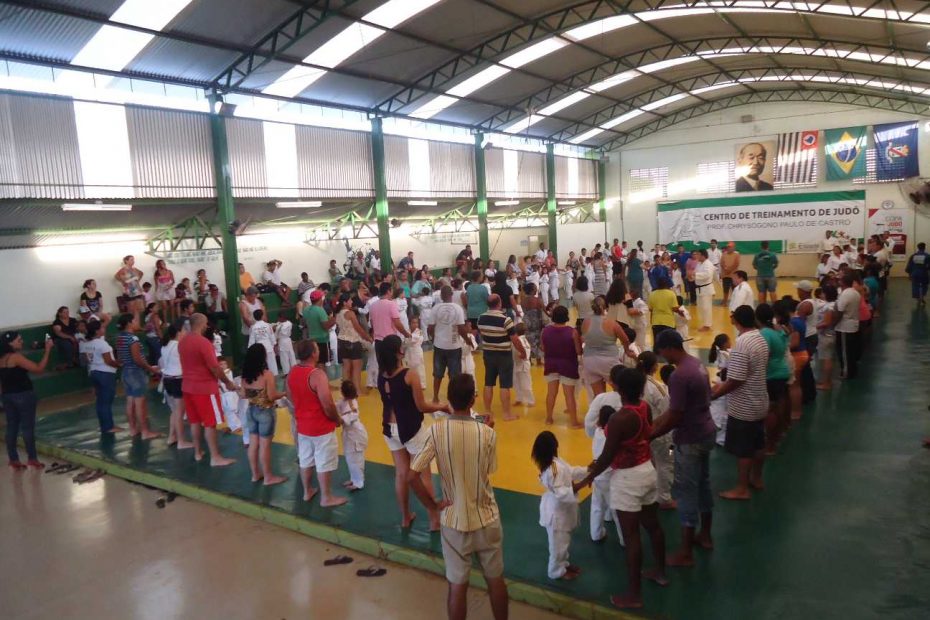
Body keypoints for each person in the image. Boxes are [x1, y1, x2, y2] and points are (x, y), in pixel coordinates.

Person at [407, 373, 508, 620]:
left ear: (449, 400)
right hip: (487, 516)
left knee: (457, 585)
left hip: (453, 519)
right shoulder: (487, 433)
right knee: (495, 580)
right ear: (472, 401)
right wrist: (486, 429)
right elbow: (488, 469)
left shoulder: (437, 431)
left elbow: (411, 476)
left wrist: (432, 506)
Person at [581, 367, 667, 610]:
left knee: (631, 537)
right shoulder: (644, 408)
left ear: (618, 388)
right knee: (652, 524)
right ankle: (660, 572)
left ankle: (634, 594)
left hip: (627, 478)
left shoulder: (619, 419)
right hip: (647, 470)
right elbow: (646, 435)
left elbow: (607, 456)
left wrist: (585, 479)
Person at [650, 330, 716, 565]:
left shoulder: (679, 376)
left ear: (669, 347)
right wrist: (654, 424)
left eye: (662, 351)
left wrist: (651, 435)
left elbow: (675, 416)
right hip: (706, 431)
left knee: (686, 493)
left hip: (690, 438)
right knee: (704, 485)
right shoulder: (696, 364)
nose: (661, 357)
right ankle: (705, 535)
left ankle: (685, 552)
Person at [376, 335, 447, 529]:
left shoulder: (382, 375)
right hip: (411, 428)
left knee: (401, 474)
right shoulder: (409, 374)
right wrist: (443, 407)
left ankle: (405, 517)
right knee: (424, 475)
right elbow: (422, 406)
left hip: (390, 428)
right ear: (399, 351)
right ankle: (434, 519)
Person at [712, 305, 770, 500]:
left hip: (744, 405)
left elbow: (735, 380)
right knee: (758, 443)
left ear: (736, 321)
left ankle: (742, 488)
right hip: (760, 399)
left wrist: (715, 394)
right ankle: (757, 478)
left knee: (744, 449)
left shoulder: (741, 344)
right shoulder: (760, 338)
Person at [288, 340, 347, 507]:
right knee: (324, 460)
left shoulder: (293, 372)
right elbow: (327, 404)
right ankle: (326, 497)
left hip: (303, 425)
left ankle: (307, 491)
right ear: (313, 353)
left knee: (305, 458)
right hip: (320, 426)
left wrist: (301, 408)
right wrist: (337, 419)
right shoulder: (317, 375)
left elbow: (289, 394)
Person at [179, 313, 236, 466]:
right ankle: (215, 457)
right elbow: (215, 367)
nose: (207, 326)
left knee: (195, 421)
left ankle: (198, 452)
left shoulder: (182, 342)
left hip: (188, 386)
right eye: (205, 323)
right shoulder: (203, 343)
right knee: (210, 423)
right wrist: (227, 382)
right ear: (201, 324)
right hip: (204, 388)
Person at [532, 431, 586, 581]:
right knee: (558, 544)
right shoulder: (554, 468)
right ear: (554, 446)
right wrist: (582, 484)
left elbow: (571, 471)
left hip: (561, 510)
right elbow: (561, 492)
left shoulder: (556, 462)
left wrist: (588, 470)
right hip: (557, 513)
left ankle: (564, 564)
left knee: (563, 541)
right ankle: (556, 571)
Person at [1, 331, 53, 468]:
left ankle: (13, 458)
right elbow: (38, 368)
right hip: (23, 395)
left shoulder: (1, 359)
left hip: (7, 395)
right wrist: (47, 350)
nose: (22, 342)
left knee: (12, 427)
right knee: (27, 428)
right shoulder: (16, 358)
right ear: (10, 343)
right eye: (19, 340)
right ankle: (32, 458)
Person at [239, 343, 287, 486]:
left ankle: (255, 474)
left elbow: (243, 395)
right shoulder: (267, 375)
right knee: (265, 446)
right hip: (265, 411)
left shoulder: (245, 376)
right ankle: (268, 477)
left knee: (253, 444)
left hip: (251, 410)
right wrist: (285, 393)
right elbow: (271, 396)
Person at [477, 294, 526, 423]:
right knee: (504, 384)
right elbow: (514, 339)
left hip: (488, 353)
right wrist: (523, 352)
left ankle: (487, 410)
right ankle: (506, 413)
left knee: (488, 382)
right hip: (504, 354)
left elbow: (483, 334)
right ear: (499, 303)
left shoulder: (480, 318)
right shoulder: (506, 320)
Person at [114, 313, 161, 440]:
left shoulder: (119, 338)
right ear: (129, 323)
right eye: (135, 320)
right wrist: (151, 368)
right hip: (136, 372)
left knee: (130, 401)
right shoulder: (133, 339)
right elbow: (137, 359)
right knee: (140, 403)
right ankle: (145, 431)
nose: (136, 323)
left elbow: (119, 357)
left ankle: (133, 429)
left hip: (126, 372)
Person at [637, 352, 673, 510]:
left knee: (648, 462)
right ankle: (664, 498)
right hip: (658, 432)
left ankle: (647, 493)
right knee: (666, 462)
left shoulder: (634, 382)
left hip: (639, 431)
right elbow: (667, 411)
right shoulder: (656, 387)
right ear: (654, 367)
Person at [581, 297, 633, 397]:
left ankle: (602, 411)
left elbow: (583, 338)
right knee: (620, 391)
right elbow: (625, 339)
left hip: (589, 360)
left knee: (599, 396)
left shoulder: (585, 322)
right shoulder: (611, 323)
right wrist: (627, 350)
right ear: (606, 307)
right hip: (609, 360)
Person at [756, 303, 790, 454]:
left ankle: (770, 444)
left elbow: (765, 353)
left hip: (771, 373)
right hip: (782, 370)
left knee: (770, 409)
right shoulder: (779, 330)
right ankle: (779, 433)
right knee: (780, 405)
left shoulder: (764, 333)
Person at [540, 305, 582, 427]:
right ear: (566, 317)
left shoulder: (545, 331)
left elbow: (543, 347)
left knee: (551, 393)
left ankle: (548, 418)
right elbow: (578, 351)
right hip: (568, 365)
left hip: (551, 364)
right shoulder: (572, 332)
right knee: (569, 395)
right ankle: (574, 421)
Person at [429, 285, 468, 401]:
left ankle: (435, 397)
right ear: (452, 295)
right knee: (454, 375)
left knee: (437, 373)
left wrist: (433, 338)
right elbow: (461, 328)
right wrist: (468, 340)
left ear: (441, 296)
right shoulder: (458, 308)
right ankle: (453, 398)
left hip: (439, 345)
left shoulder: (435, 308)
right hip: (454, 346)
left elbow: (430, 328)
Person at [83, 320, 122, 434]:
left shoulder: (88, 344)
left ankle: (104, 425)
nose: (104, 329)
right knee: (106, 401)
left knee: (100, 401)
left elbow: (87, 359)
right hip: (105, 373)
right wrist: (119, 364)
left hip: (94, 371)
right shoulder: (102, 344)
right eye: (102, 328)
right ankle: (109, 426)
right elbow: (109, 361)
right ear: (97, 331)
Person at [159, 325, 192, 449]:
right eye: (183, 330)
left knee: (174, 411)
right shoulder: (179, 346)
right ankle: (181, 441)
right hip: (178, 380)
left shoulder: (165, 345)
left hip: (168, 379)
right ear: (179, 332)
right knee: (179, 412)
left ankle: (172, 436)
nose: (185, 332)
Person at [335, 293, 372, 395]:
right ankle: (357, 391)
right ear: (345, 302)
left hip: (341, 341)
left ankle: (346, 391)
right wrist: (368, 338)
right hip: (353, 341)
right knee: (357, 367)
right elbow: (358, 329)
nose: (352, 302)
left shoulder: (337, 313)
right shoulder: (350, 313)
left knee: (346, 367)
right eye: (350, 300)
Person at [336, 380, 368, 491]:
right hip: (349, 434)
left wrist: (338, 417)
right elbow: (336, 408)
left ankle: (359, 482)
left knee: (356, 458)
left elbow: (344, 419)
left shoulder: (353, 404)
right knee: (350, 458)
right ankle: (354, 478)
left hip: (355, 435)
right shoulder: (343, 401)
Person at [833, 272, 862, 380]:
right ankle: (852, 370)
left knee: (844, 352)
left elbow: (839, 312)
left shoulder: (845, 294)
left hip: (844, 327)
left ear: (843, 282)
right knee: (850, 351)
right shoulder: (855, 292)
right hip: (853, 324)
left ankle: (847, 373)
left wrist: (833, 324)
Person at [302, 290, 335, 368]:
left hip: (312, 339)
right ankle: (321, 379)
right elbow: (325, 326)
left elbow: (304, 323)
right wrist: (333, 320)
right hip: (322, 340)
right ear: (320, 299)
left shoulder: (306, 310)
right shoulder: (320, 310)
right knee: (322, 362)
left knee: (315, 362)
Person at [815, 285, 838, 390]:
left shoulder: (829, 307)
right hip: (831, 334)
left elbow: (827, 322)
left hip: (826, 335)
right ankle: (828, 381)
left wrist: (814, 327)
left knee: (826, 359)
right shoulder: (834, 304)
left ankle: (826, 383)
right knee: (828, 358)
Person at [115, 255, 145, 324]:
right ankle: (130, 325)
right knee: (131, 309)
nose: (133, 261)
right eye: (131, 260)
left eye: (133, 260)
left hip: (137, 290)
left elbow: (141, 273)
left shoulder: (134, 269)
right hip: (129, 291)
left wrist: (138, 280)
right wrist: (123, 282)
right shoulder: (123, 270)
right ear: (126, 261)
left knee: (137, 309)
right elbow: (116, 276)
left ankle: (137, 325)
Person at [647, 277, 679, 342]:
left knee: (657, 343)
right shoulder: (671, 294)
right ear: (666, 284)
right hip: (669, 322)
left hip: (656, 322)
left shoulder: (652, 294)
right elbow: (675, 308)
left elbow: (650, 309)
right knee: (669, 343)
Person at [512, 323, 535, 407]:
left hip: (523, 364)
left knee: (526, 383)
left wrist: (522, 356)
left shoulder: (521, 340)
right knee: (516, 383)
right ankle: (519, 398)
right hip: (516, 363)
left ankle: (530, 401)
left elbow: (526, 352)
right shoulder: (518, 339)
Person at [693, 249, 715, 332]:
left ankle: (707, 325)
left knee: (706, 308)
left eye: (698, 254)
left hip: (706, 289)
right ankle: (705, 323)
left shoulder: (708, 264)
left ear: (703, 255)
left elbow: (707, 275)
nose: (696, 256)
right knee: (701, 307)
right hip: (699, 288)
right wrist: (692, 277)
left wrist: (694, 275)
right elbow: (695, 273)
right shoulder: (699, 263)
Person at [405, 317, 427, 389]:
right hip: (409, 352)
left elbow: (412, 340)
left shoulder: (419, 332)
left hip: (417, 352)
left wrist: (406, 335)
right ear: (409, 323)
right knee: (409, 368)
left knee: (419, 368)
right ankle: (411, 383)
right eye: (413, 323)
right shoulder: (407, 331)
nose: (415, 324)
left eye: (416, 323)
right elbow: (405, 342)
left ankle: (422, 384)